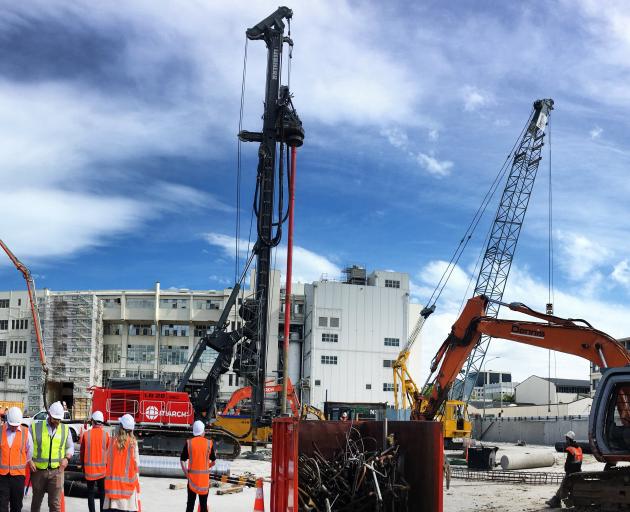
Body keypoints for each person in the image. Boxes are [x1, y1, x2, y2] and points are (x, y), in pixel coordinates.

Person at [29, 401, 74, 512]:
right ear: (49, 415)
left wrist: (67, 458)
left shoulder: (65, 429)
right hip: (38, 472)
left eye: (59, 419)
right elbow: (26, 446)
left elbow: (70, 447)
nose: (57, 422)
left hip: (57, 472)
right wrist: (29, 460)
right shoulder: (35, 427)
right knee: (36, 503)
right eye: (55, 419)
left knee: (55, 505)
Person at [104, 414, 140, 512]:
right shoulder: (133, 444)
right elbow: (136, 465)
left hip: (113, 490)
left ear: (121, 427)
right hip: (128, 492)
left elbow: (106, 460)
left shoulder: (112, 442)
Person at [0, 407, 32, 512]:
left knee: (17, 505)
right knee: (2, 505)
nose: (14, 427)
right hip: (2, 476)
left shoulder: (26, 433)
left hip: (18, 476)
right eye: (11, 425)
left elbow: (29, 452)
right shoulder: (0, 431)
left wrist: (22, 463)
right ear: (7, 420)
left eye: (16, 425)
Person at [180, 420, 216, 512]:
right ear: (203, 431)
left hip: (192, 480)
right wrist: (207, 467)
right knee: (203, 505)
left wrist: (186, 474)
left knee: (190, 504)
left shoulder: (189, 443)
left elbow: (182, 460)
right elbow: (214, 462)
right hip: (204, 481)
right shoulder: (209, 443)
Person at [81, 411, 109, 512]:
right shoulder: (106, 435)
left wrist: (83, 468)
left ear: (92, 421)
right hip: (102, 471)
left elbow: (82, 453)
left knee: (90, 493)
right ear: (101, 423)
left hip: (89, 471)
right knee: (102, 493)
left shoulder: (86, 435)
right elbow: (108, 453)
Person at [546, 430, 583, 508]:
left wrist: (565, 445)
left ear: (569, 439)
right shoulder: (579, 448)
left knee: (563, 488)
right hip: (578, 471)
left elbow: (566, 449)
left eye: (566, 439)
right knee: (565, 487)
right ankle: (555, 500)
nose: (566, 440)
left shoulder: (570, 448)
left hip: (571, 473)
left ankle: (567, 504)